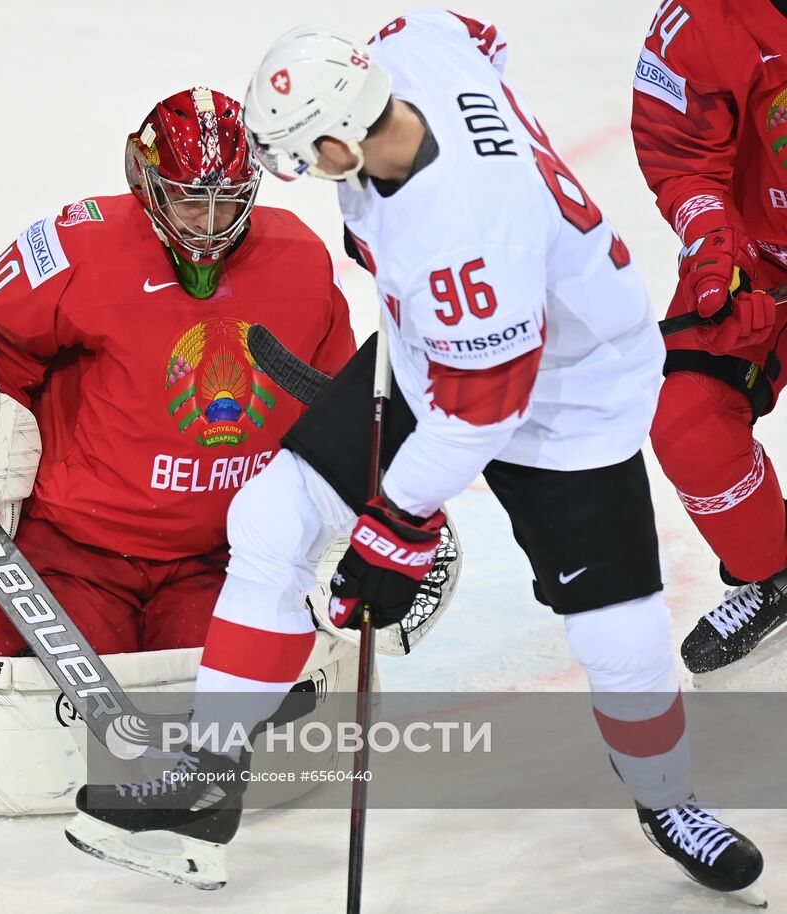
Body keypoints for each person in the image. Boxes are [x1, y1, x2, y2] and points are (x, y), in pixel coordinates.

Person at [66, 11, 766, 905]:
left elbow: (481, 416)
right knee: (272, 516)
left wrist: (392, 532)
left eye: (302, 157)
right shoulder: (410, 54)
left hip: (568, 394)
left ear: (336, 135)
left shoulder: (466, 241)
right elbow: (472, 30)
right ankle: (208, 774)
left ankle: (670, 805)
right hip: (442, 351)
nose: (304, 176)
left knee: (618, 635)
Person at [0, 86, 356, 656]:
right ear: (146, 185)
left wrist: (373, 513)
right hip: (72, 553)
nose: (211, 223)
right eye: (190, 199)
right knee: (56, 730)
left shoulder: (301, 259)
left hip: (226, 555)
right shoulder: (79, 242)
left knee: (215, 720)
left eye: (230, 199)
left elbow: (338, 402)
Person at [633, 0, 787, 678]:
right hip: (761, 262)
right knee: (690, 428)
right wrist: (713, 258)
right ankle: (776, 574)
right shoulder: (698, 19)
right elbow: (684, 162)